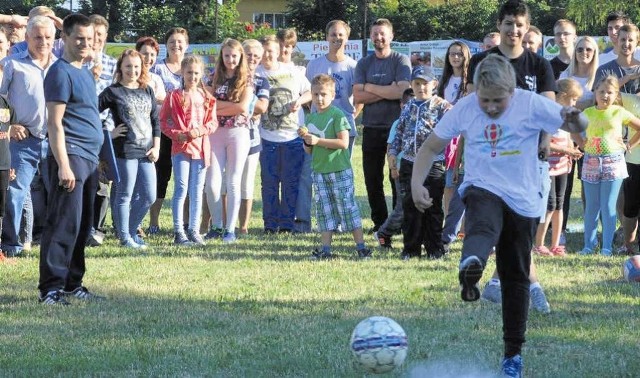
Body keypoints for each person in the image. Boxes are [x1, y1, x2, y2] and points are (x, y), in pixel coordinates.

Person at [410, 54, 587, 378]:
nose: (490, 107)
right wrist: (415, 182)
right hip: (483, 185)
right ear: (476, 92)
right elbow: (432, 146)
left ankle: (512, 356)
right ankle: (471, 268)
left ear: (513, 92)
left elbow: (575, 123)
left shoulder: (531, 104)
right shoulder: (465, 106)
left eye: (498, 101)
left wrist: (576, 119)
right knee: (481, 222)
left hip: (523, 199)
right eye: (485, 100)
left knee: (516, 277)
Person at [39, 13, 105, 305]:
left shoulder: (85, 72)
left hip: (89, 160)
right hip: (72, 157)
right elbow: (54, 123)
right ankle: (50, 289)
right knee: (63, 223)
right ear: (63, 38)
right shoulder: (60, 72)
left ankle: (72, 283)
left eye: (89, 39)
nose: (84, 43)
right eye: (79, 38)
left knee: (81, 225)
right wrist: (64, 164)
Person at [0, 15, 56, 257]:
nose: (43, 41)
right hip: (23, 140)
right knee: (15, 193)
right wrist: (10, 125)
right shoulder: (13, 64)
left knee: (60, 194)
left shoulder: (60, 66)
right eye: (37, 37)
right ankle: (11, 245)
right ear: (27, 38)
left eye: (47, 37)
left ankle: (57, 243)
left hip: (55, 140)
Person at [299, 74, 370, 259]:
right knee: (324, 211)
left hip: (339, 170)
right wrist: (307, 141)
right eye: (315, 95)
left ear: (332, 95)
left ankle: (361, 247)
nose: (319, 99)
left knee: (347, 208)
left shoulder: (337, 115)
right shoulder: (310, 119)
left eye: (323, 94)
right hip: (319, 171)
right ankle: (326, 249)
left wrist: (318, 140)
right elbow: (309, 151)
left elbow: (343, 143)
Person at [98, 49, 160, 249]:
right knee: (124, 194)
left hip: (147, 152)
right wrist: (108, 133)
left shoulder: (147, 90)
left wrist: (157, 146)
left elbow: (155, 121)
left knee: (149, 196)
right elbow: (90, 111)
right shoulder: (113, 91)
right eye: (128, 66)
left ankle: (130, 232)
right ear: (120, 68)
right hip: (125, 152)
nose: (132, 70)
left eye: (136, 66)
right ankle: (125, 237)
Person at [354, 18, 411, 232]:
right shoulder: (364, 63)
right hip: (371, 128)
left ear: (391, 36)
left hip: (396, 130)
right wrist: (387, 89)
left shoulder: (400, 60)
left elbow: (401, 92)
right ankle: (380, 222)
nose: (379, 37)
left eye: (382, 33)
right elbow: (358, 95)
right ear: (371, 37)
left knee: (396, 176)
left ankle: (398, 223)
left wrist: (370, 86)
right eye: (375, 34)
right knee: (372, 179)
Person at [389, 66, 451, 260]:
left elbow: (452, 131)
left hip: (434, 163)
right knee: (410, 207)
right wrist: (393, 153)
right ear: (411, 85)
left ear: (434, 84)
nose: (421, 87)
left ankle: (434, 248)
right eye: (417, 83)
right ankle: (411, 249)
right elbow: (399, 131)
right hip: (408, 161)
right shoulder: (408, 106)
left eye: (425, 83)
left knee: (432, 207)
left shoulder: (442, 106)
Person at [578, 75, 640, 256]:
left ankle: (606, 246)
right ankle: (588, 246)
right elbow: (571, 126)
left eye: (610, 92)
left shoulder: (619, 112)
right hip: (590, 161)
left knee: (608, 206)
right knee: (591, 206)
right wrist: (581, 144)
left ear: (616, 94)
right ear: (595, 92)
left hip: (613, 162)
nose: (605, 95)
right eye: (601, 91)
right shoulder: (588, 113)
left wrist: (629, 145)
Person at [257, 34, 311, 234]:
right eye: (264, 51)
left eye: (271, 51)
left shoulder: (292, 72)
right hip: (267, 138)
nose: (267, 55)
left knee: (290, 183)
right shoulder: (255, 73)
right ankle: (270, 224)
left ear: (278, 51)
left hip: (292, 138)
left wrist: (299, 101)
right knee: (269, 184)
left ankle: (287, 224)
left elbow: (310, 91)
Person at [160, 55, 217, 245]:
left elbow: (212, 122)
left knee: (196, 190)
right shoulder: (174, 96)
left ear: (201, 74)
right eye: (189, 72)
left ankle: (194, 229)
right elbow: (163, 121)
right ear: (182, 73)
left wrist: (200, 130)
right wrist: (177, 134)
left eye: (196, 73)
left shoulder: (207, 97)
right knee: (181, 188)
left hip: (200, 148)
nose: (192, 76)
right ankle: (179, 231)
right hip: (181, 147)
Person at [205, 38, 252, 244]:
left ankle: (230, 229)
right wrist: (222, 106)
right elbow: (205, 105)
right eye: (226, 55)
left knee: (233, 181)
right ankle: (216, 225)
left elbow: (242, 108)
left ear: (240, 56)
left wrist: (216, 105)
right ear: (221, 56)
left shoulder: (248, 78)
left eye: (234, 55)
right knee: (212, 182)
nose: (230, 59)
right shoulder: (212, 77)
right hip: (215, 132)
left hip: (238, 132)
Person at [532, 79, 584, 257]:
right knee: (549, 204)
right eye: (573, 99)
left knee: (560, 204)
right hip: (547, 166)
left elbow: (569, 136)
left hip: (563, 166)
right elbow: (544, 143)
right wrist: (566, 149)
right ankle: (538, 243)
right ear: (562, 97)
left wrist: (573, 150)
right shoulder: (548, 115)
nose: (575, 103)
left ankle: (555, 244)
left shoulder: (568, 116)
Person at [148, 27, 189, 235]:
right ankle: (154, 221)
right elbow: (151, 97)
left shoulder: (191, 69)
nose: (176, 45)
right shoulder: (157, 69)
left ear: (187, 45)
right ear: (166, 45)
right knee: (161, 176)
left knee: (186, 179)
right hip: (163, 130)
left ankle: (185, 222)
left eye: (180, 42)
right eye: (172, 41)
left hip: (186, 133)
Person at [86, 14, 118, 247]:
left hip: (104, 130)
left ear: (106, 37)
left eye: (100, 35)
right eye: (92, 34)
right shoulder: (77, 61)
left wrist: (113, 129)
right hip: (79, 130)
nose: (96, 39)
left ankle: (96, 229)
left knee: (101, 182)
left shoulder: (112, 64)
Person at [277, 28, 312, 234]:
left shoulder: (298, 71)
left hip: (293, 132)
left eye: (289, 47)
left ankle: (293, 222)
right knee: (275, 179)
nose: (285, 51)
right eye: (282, 46)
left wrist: (299, 100)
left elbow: (310, 92)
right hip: (272, 132)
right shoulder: (269, 68)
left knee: (294, 179)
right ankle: (276, 220)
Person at [438, 41, 470, 239]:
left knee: (465, 183)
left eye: (459, 54)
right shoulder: (445, 80)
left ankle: (465, 227)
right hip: (445, 137)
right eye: (452, 54)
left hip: (463, 138)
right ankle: (449, 225)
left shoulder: (469, 82)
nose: (455, 57)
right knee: (448, 184)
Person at [374, 88, 414, 249]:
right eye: (407, 104)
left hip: (418, 169)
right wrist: (392, 167)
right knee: (402, 207)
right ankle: (384, 233)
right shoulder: (398, 124)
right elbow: (391, 147)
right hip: (400, 169)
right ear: (401, 105)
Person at [238, 39, 270, 235]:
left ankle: (243, 226)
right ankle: (223, 223)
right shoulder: (229, 77)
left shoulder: (261, 80)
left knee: (246, 183)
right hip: (227, 135)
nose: (252, 59)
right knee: (225, 182)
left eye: (256, 56)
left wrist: (243, 96)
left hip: (251, 137)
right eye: (249, 54)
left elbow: (262, 107)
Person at [595, 24, 640, 95]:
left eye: (630, 40)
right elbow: (597, 96)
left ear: (637, 42)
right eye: (623, 39)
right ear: (617, 40)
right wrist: (628, 77)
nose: (626, 44)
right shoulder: (604, 70)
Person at [0, 64, 15, 262]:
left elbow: (9, 131)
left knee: (0, 209)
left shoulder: (5, 102)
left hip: (3, 164)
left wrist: (10, 162)